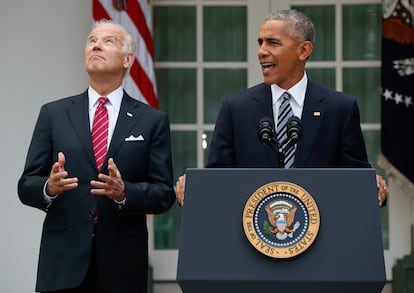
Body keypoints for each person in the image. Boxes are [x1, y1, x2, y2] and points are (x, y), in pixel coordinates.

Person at [18, 20, 175, 293]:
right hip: (63, 265)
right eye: (91, 40)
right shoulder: (53, 114)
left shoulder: (152, 120)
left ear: (127, 59)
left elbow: (164, 194)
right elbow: (26, 185)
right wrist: (49, 187)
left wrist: (125, 192)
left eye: (108, 41)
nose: (96, 45)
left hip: (122, 266)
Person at [175, 9, 387, 207]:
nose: (261, 52)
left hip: (321, 237)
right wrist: (196, 185)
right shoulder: (235, 108)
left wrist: (373, 186)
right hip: (253, 238)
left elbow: (355, 178)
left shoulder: (340, 108)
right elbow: (218, 179)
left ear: (303, 50)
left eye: (273, 43)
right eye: (260, 43)